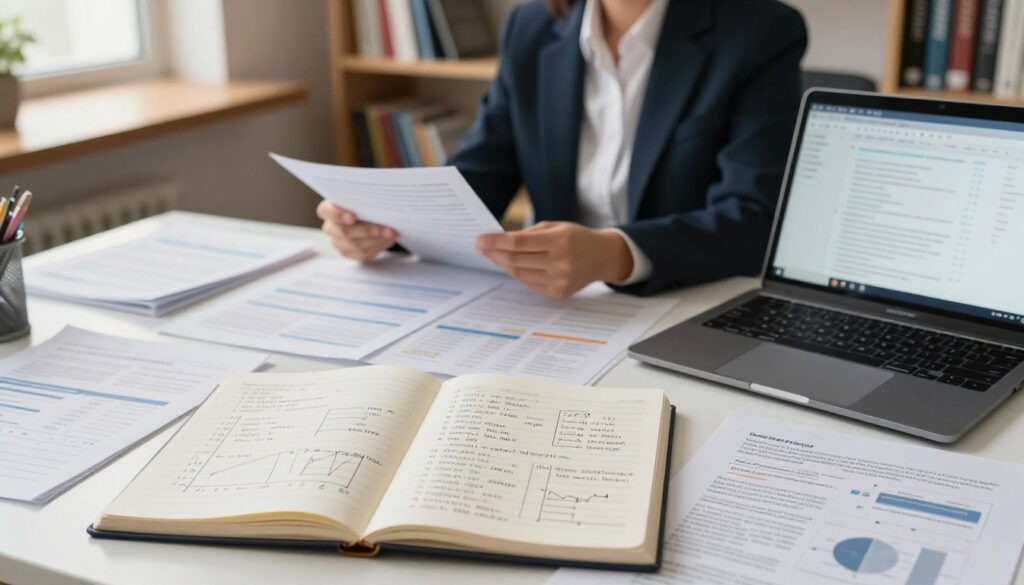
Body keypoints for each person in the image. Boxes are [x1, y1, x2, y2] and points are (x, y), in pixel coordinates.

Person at [318, 0, 807, 298]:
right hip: (553, 310)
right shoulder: (529, 28)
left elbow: (754, 218)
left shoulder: (760, 32)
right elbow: (477, 177)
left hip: (680, 303)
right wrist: (382, 225)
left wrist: (615, 253)